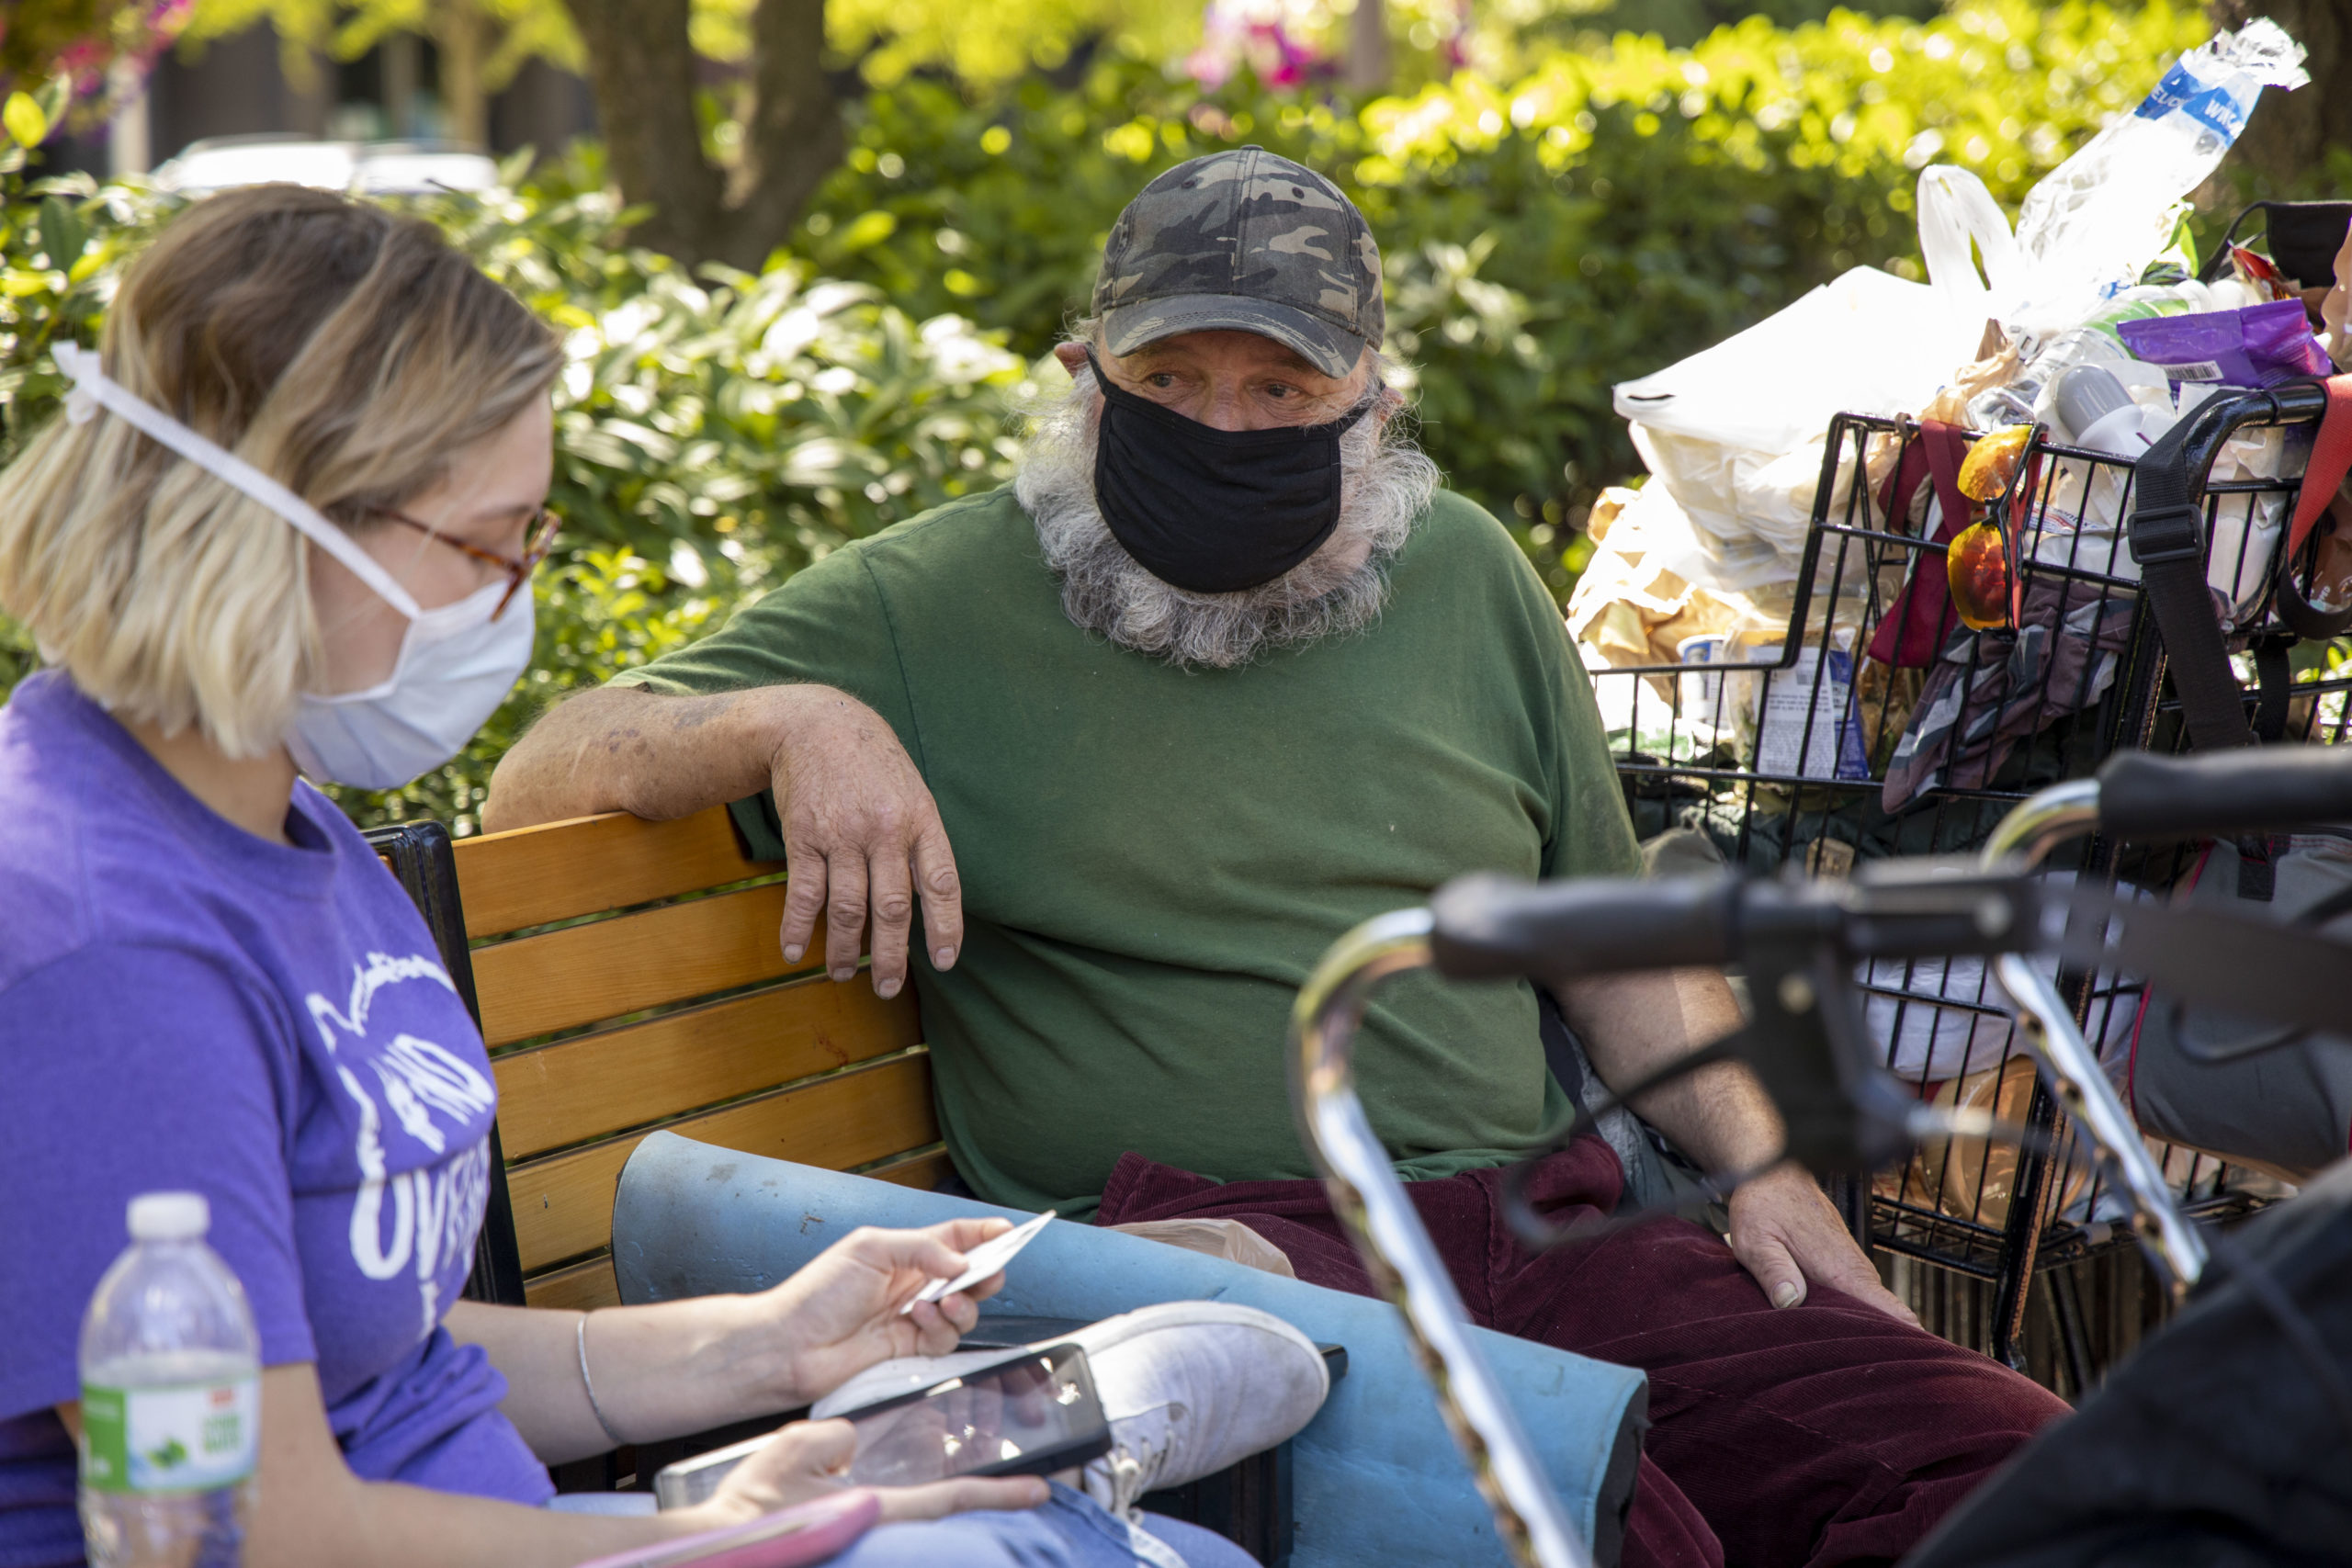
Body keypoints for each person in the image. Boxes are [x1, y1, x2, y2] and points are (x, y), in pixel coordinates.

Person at [485, 147, 2074, 1567]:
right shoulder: (928, 604)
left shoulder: (1463, 576)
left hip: (1542, 1225)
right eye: (1170, 380)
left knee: (2013, 1467)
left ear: (1370, 404)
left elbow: (1606, 940)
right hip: (1225, 1247)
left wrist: (1763, 1166)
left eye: (1278, 393)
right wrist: (798, 721)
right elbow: (540, 775)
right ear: (1082, 374)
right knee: (1600, 1513)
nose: (1219, 424)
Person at [0, 184, 1325, 1568]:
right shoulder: (102, 947)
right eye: (491, 541)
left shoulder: (278, 828)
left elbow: (362, 1352)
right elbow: (252, 1528)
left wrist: (765, 1348)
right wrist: (714, 1539)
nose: (518, 587)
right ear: (282, 524)